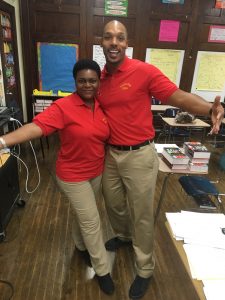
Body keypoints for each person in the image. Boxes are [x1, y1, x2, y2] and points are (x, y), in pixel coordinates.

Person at [98, 20, 225, 299]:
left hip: (140, 155)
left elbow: (178, 97)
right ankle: (123, 236)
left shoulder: (144, 71)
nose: (114, 42)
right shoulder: (100, 78)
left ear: (127, 43)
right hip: (110, 154)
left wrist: (209, 109)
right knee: (114, 205)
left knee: (142, 215)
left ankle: (145, 268)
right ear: (102, 43)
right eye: (109, 37)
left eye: (120, 37)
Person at [0, 59, 115, 295]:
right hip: (72, 176)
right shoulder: (64, 107)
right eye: (82, 80)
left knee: (83, 213)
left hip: (96, 171)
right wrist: (2, 141)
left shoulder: (103, 105)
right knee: (92, 220)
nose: (87, 85)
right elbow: (36, 127)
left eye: (92, 81)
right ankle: (102, 269)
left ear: (98, 82)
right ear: (75, 81)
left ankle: (80, 245)